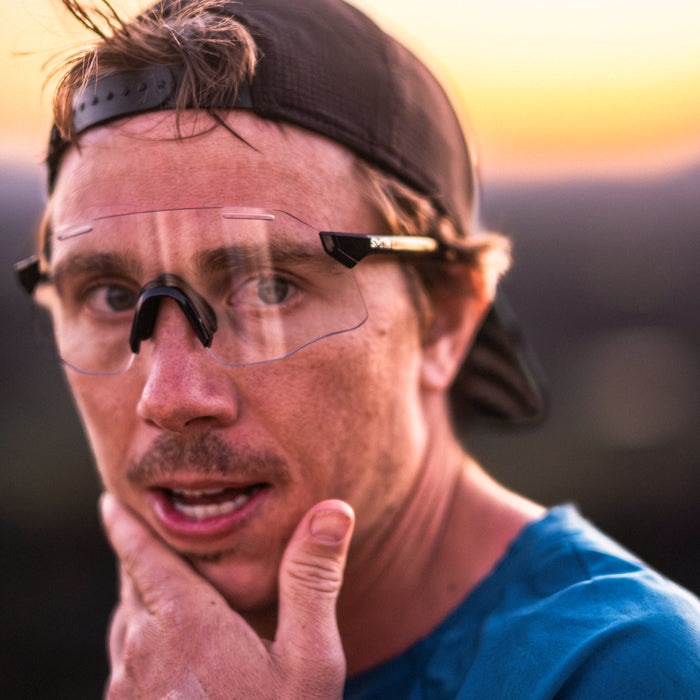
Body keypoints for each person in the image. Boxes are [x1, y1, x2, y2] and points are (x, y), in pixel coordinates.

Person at [15, 0, 700, 697]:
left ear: (445, 320)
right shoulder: (150, 662)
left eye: (270, 288)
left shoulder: (620, 669)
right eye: (111, 296)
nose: (169, 397)